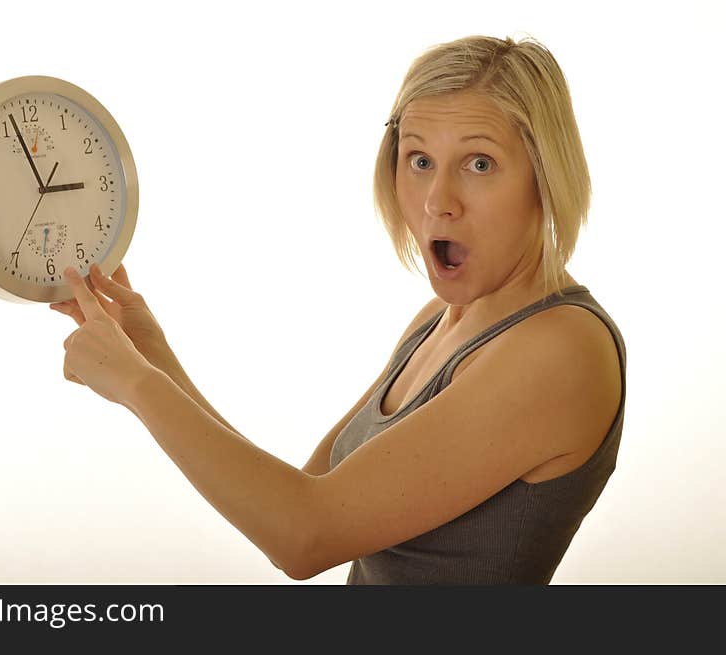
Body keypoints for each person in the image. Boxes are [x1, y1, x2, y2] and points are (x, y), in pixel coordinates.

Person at [50, 34, 626, 584]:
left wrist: (134, 386)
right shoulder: (441, 318)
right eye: (419, 160)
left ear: (545, 179)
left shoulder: (561, 347)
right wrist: (152, 355)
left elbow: (305, 537)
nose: (437, 202)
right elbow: (301, 494)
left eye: (478, 164)